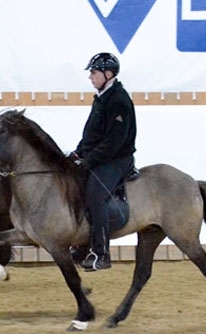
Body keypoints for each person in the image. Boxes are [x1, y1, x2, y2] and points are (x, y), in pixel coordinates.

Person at [68, 52, 137, 271]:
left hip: (117, 160)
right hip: (99, 156)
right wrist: (78, 153)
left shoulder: (119, 100)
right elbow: (91, 132)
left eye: (94, 72)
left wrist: (89, 160)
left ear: (108, 74)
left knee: (95, 196)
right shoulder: (102, 97)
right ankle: (83, 243)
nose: (90, 77)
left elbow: (113, 143)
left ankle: (101, 253)